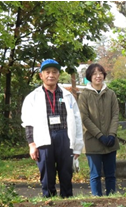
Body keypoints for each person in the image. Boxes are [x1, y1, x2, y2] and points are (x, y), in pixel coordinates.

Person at [21, 59, 84, 198]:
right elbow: (28, 122)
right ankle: (48, 203)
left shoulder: (67, 95)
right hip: (43, 137)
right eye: (47, 72)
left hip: (64, 136)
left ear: (58, 75)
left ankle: (67, 200)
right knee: (47, 174)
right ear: (41, 75)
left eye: (54, 72)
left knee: (66, 173)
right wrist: (32, 144)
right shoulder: (32, 97)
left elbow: (77, 120)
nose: (51, 75)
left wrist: (78, 146)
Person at [78, 63, 119, 196]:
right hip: (92, 141)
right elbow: (84, 119)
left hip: (110, 141)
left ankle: (112, 200)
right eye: (95, 73)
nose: (98, 76)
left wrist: (112, 134)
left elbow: (115, 115)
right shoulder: (84, 95)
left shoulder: (111, 94)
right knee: (95, 175)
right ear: (90, 76)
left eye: (100, 73)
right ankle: (96, 201)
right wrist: (100, 135)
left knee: (110, 175)